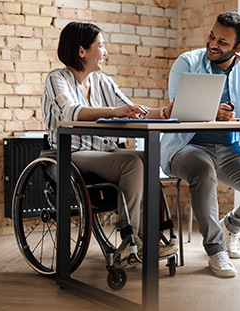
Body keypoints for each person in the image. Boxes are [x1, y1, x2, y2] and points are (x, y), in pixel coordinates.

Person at [161, 12, 240, 277]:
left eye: (223, 42)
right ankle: (216, 250)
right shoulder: (187, 62)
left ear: (239, 47)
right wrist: (210, 112)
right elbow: (176, 110)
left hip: (231, 151)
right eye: (212, 36)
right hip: (187, 148)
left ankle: (231, 225)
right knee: (204, 172)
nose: (213, 44)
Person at [42, 21, 177, 265]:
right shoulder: (57, 78)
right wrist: (115, 111)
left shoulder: (104, 82)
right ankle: (130, 238)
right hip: (70, 152)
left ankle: (151, 234)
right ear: (81, 51)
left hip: (104, 152)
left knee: (149, 159)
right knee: (131, 163)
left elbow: (134, 110)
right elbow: (71, 112)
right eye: (100, 46)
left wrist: (166, 111)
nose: (105, 52)